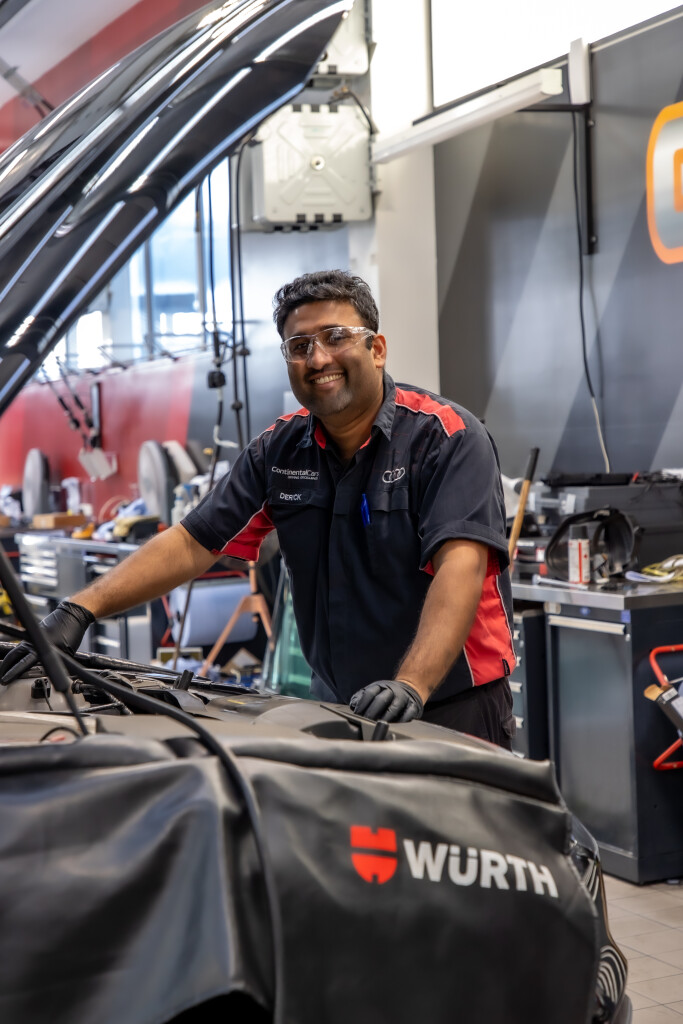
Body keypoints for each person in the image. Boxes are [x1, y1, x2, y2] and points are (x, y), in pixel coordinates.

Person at [0, 270, 516, 746]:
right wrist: (78, 609)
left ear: (376, 349)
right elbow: (193, 541)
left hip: (449, 706)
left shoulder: (446, 438)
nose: (318, 359)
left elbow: (461, 568)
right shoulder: (280, 450)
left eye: (336, 337)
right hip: (341, 705)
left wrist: (412, 684)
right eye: (300, 346)